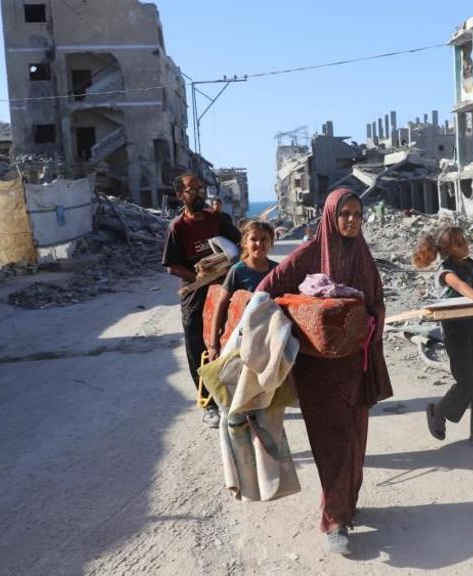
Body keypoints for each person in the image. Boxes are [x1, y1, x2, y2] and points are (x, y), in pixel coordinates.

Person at [256, 188, 393, 556]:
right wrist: (302, 314)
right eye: (344, 214)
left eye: (357, 214)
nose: (351, 220)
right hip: (318, 372)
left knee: (357, 441)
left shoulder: (364, 257)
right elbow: (265, 293)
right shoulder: (308, 255)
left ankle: (346, 502)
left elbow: (379, 302)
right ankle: (334, 520)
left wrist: (368, 317)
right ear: (330, 215)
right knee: (335, 444)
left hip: (357, 366)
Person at [162, 172, 241, 429]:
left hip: (224, 291)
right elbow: (172, 266)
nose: (197, 192)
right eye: (191, 189)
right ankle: (208, 404)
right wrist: (198, 275)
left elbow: (239, 242)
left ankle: (237, 399)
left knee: (231, 343)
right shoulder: (177, 228)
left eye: (200, 187)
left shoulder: (216, 219)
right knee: (198, 349)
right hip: (195, 295)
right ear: (180, 195)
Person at [412, 226, 473, 451]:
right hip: (457, 332)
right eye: (458, 243)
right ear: (447, 250)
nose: (465, 245)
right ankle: (438, 412)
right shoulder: (446, 270)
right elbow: (459, 286)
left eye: (464, 240)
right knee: (467, 383)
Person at [206, 220, 278, 361]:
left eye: (264, 239)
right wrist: (213, 345)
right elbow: (220, 306)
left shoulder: (278, 270)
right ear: (245, 243)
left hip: (270, 337)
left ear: (271, 242)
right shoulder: (238, 271)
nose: (259, 244)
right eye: (254, 239)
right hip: (242, 339)